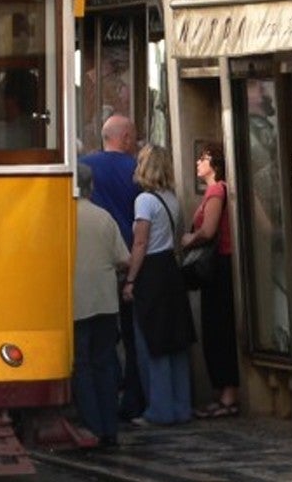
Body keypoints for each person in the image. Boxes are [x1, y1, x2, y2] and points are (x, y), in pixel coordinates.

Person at [122, 144, 195, 426]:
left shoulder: (145, 201)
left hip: (151, 271)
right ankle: (181, 407)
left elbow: (140, 242)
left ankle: (159, 410)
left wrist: (130, 279)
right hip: (170, 270)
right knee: (175, 340)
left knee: (152, 342)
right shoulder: (172, 199)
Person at [78, 113, 144, 419]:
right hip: (130, 259)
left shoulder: (87, 167)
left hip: (91, 270)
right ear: (127, 138)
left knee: (91, 351)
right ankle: (130, 399)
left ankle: (94, 413)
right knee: (130, 338)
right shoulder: (136, 169)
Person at [73, 164, 129, 448]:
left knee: (81, 366)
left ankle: (92, 427)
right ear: (90, 186)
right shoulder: (104, 217)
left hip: (75, 303)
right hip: (106, 302)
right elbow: (123, 259)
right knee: (105, 364)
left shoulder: (62, 217)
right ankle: (110, 429)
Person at [183, 147, 239, 418]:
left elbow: (209, 230)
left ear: (214, 164)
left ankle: (228, 394)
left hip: (218, 265)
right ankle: (222, 392)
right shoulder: (216, 191)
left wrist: (187, 240)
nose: (197, 162)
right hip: (219, 267)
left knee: (219, 328)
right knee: (215, 328)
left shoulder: (217, 190)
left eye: (203, 158)